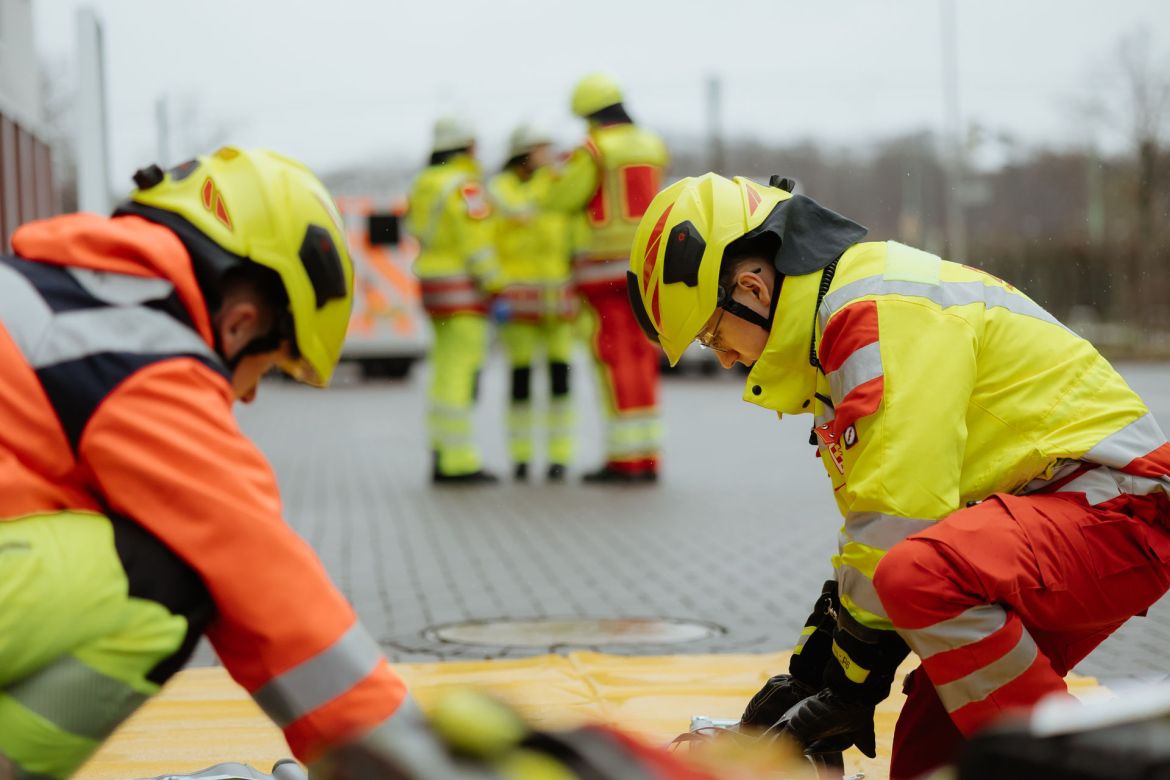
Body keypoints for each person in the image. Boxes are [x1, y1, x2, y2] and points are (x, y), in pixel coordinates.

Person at [626, 172, 1170, 778]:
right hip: (1064, 515)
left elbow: (900, 519)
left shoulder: (871, 313)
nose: (723, 357)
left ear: (751, 287)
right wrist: (811, 674)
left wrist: (852, 687)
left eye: (711, 333)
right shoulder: (843, 318)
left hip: (1120, 508)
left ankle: (1073, 770)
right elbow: (873, 532)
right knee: (924, 760)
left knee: (918, 576)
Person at [0, 147, 454, 779]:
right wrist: (413, 764)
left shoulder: (55, 301)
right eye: (265, 369)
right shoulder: (138, 355)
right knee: (159, 580)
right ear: (241, 325)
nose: (246, 396)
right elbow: (260, 577)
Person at [542, 73, 669, 484]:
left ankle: (624, 460)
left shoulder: (594, 149)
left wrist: (552, 172)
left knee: (615, 359)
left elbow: (561, 199)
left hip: (603, 273)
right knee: (643, 356)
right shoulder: (651, 145)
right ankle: (647, 456)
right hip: (647, 269)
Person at [407, 115, 505, 484]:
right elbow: (476, 242)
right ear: (466, 147)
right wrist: (496, 283)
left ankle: (440, 450)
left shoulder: (423, 184)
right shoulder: (465, 187)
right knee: (461, 372)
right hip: (463, 289)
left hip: (432, 287)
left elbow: (415, 229)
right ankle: (459, 460)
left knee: (443, 369)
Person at [487, 124, 577, 482]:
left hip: (557, 304)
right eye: (542, 149)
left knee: (560, 381)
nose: (549, 155)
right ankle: (521, 456)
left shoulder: (557, 187)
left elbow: (570, 240)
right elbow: (495, 235)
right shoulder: (499, 192)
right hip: (519, 304)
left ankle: (560, 456)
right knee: (520, 381)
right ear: (524, 153)